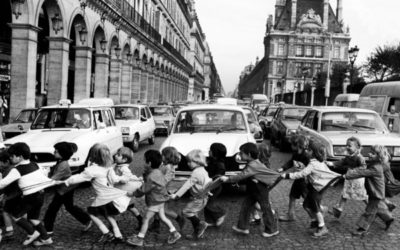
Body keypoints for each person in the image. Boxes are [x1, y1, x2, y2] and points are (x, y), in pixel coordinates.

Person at [62, 143, 130, 243]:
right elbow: (115, 179)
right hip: (113, 196)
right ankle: (118, 235)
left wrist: (65, 181)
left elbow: (78, 178)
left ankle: (107, 233)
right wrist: (123, 178)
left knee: (91, 213)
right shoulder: (109, 167)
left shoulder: (91, 170)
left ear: (92, 156)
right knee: (108, 215)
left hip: (103, 197)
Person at [281, 140, 341, 238]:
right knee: (306, 205)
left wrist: (287, 175)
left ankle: (322, 227)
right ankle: (315, 222)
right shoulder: (316, 162)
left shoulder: (313, 164)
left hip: (317, 189)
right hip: (314, 187)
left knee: (315, 207)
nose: (305, 151)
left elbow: (302, 173)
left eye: (308, 150)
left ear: (312, 152)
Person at [0, 143, 55, 246]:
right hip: (40, 195)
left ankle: (33, 233)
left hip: (30, 197)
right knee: (33, 219)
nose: (11, 158)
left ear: (20, 157)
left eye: (12, 156)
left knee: (16, 215)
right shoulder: (35, 164)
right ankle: (46, 238)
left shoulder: (16, 170)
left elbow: (3, 183)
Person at [220, 142, 280, 238]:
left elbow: (242, 175)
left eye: (241, 153)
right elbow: (245, 175)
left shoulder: (253, 165)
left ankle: (272, 229)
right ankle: (243, 227)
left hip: (260, 190)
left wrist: (228, 179)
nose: (239, 155)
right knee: (246, 206)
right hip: (255, 189)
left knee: (265, 209)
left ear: (248, 155)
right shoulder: (253, 163)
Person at [126, 150, 181, 247]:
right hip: (161, 200)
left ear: (149, 163)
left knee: (146, 219)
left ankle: (140, 239)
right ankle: (174, 233)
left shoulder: (151, 176)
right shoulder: (158, 172)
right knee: (163, 218)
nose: (143, 163)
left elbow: (144, 189)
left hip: (154, 202)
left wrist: (133, 194)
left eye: (144, 161)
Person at [43, 142, 92, 235]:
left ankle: (47, 230)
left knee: (52, 209)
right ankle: (86, 220)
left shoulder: (63, 165)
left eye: (56, 152)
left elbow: (53, 179)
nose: (54, 153)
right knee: (69, 207)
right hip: (67, 188)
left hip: (64, 190)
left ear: (62, 154)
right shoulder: (61, 162)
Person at [344, 145, 394, 236]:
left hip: (376, 193)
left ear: (379, 157)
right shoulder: (376, 165)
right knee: (376, 208)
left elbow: (362, 173)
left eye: (373, 153)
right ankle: (388, 218)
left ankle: (363, 228)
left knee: (369, 211)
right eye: (370, 152)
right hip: (375, 192)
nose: (369, 154)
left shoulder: (375, 168)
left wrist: (347, 175)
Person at [170, 149, 211, 239]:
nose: (188, 164)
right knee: (193, 214)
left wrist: (176, 195)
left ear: (197, 161)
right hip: (203, 198)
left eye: (189, 162)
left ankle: (201, 225)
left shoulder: (196, 173)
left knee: (186, 212)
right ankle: (197, 233)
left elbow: (186, 185)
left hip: (198, 199)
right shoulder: (203, 170)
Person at [326, 137, 368, 218]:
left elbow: (363, 167)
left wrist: (354, 170)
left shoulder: (359, 157)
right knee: (345, 193)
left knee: (361, 194)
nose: (347, 147)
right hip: (350, 177)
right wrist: (332, 164)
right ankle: (339, 208)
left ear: (357, 147)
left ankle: (371, 207)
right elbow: (342, 162)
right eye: (346, 145)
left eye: (349, 146)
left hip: (357, 178)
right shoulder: (349, 156)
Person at [108, 147, 143, 230]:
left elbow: (127, 177)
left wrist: (119, 179)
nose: (115, 155)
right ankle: (140, 220)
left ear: (124, 159)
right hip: (119, 191)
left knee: (117, 207)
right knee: (129, 207)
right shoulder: (117, 165)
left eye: (118, 155)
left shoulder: (123, 168)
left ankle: (114, 225)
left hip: (124, 192)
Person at [277, 135, 310, 222]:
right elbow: (291, 162)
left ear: (298, 145)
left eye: (292, 145)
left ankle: (318, 215)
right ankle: (291, 215)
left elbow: (311, 168)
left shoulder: (306, 156)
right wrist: (283, 168)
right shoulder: (296, 154)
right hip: (298, 180)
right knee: (292, 196)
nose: (290, 146)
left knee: (308, 200)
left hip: (305, 182)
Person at [204, 143, 227, 227]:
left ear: (215, 153)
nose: (209, 151)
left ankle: (221, 213)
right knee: (206, 202)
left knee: (208, 203)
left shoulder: (220, 165)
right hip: (209, 185)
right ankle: (210, 221)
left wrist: (211, 185)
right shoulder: (211, 160)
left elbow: (219, 177)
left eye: (210, 150)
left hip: (215, 186)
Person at [0, 150, 17, 240]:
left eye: (0, 162)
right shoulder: (13, 168)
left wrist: (4, 195)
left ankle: (10, 231)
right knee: (20, 213)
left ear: (6, 162)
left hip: (12, 195)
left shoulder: (8, 171)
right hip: (16, 195)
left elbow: (4, 185)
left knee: (5, 212)